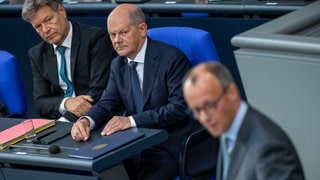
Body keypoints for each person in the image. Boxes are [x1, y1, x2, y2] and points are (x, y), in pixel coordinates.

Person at [71, 3, 201, 180]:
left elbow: (179, 108)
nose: (117, 40)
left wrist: (131, 121)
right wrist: (87, 120)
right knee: (102, 171)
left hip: (169, 143)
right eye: (112, 34)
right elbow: (108, 103)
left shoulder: (172, 59)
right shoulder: (118, 64)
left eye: (123, 32)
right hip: (136, 144)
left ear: (142, 29)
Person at [182, 62, 305, 180]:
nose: (204, 118)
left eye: (210, 105)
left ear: (232, 93)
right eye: (196, 110)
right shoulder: (227, 129)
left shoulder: (268, 147)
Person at [21, 0, 117, 122]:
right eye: (38, 26)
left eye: (48, 20)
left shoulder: (96, 39)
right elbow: (40, 103)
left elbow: (99, 94)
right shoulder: (37, 54)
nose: (45, 30)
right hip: (59, 122)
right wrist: (66, 103)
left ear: (61, 11)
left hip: (96, 119)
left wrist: (65, 122)